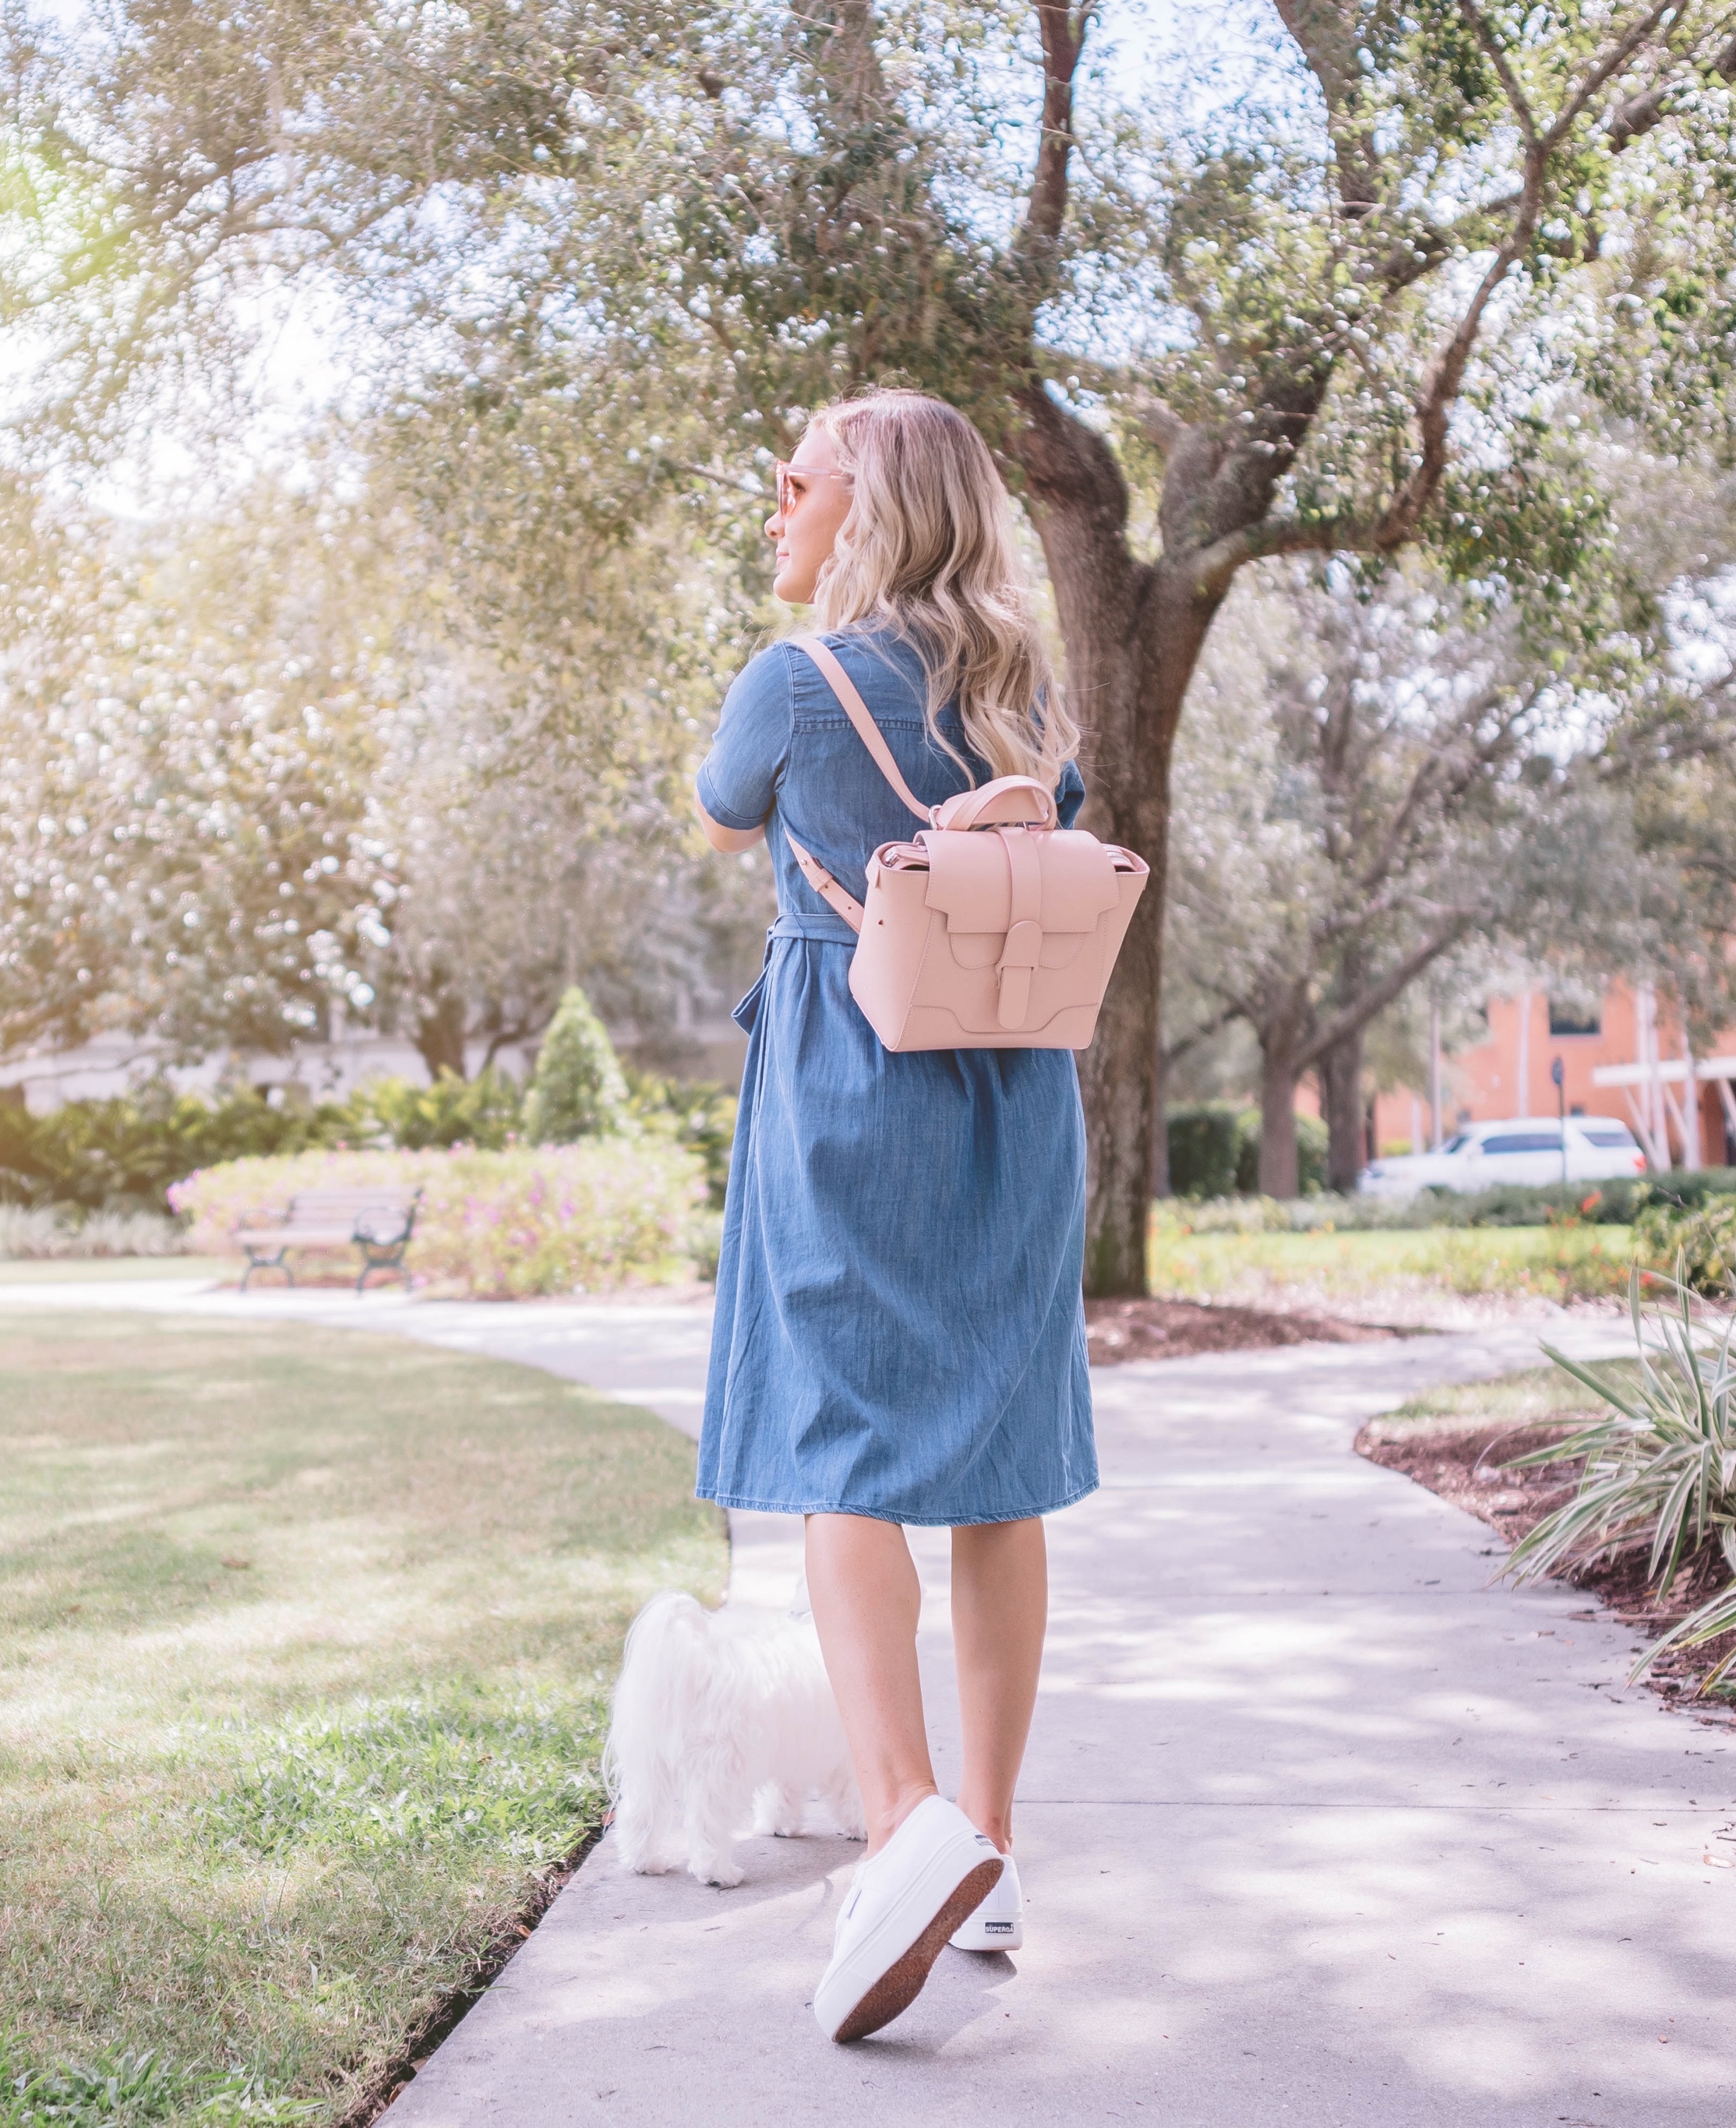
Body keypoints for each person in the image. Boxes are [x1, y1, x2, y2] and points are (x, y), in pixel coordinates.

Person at [690, 386, 1096, 2045]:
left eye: (790, 485)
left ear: (858, 511)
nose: (771, 510)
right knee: (997, 1474)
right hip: (1013, 1102)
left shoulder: (790, 683)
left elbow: (727, 810)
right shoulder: (1026, 703)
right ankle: (983, 1853)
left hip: (849, 1089)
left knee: (838, 1452)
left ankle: (899, 1816)